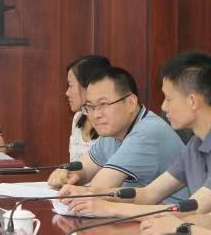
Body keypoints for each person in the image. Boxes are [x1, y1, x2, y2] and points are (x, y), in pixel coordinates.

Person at [51, 52, 211, 235]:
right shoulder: (195, 145)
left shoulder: (150, 130)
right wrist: (92, 195)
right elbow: (149, 194)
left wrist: (107, 207)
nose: (163, 106)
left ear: (192, 101)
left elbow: (192, 210)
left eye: (168, 99)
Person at [48, 65, 188, 202]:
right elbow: (83, 169)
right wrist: (67, 175)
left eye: (103, 104)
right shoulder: (114, 131)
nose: (96, 115)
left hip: (170, 214)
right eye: (90, 106)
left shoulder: (148, 131)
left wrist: (81, 188)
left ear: (130, 103)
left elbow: (99, 189)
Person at [65, 55, 110, 161]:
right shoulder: (77, 118)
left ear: (88, 85)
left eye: (70, 85)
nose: (67, 93)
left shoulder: (111, 125)